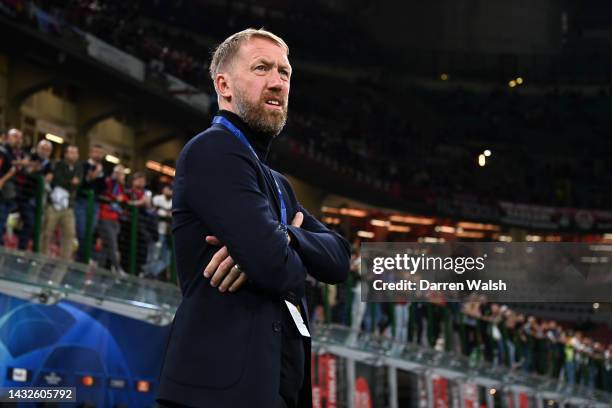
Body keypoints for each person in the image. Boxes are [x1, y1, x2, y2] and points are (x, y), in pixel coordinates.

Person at [157, 29, 350, 408]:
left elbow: (340, 259)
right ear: (224, 85)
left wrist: (284, 238)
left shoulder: (278, 183)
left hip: (274, 389)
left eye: (285, 72)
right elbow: (275, 267)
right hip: (217, 393)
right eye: (262, 68)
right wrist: (272, 246)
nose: (277, 82)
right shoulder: (213, 151)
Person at [41, 144, 81, 258]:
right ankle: (41, 257)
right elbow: (58, 180)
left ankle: (64, 263)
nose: (74, 155)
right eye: (71, 152)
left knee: (69, 234)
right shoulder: (58, 164)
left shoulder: (79, 167)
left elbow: (78, 183)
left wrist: (71, 183)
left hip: (69, 206)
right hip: (53, 205)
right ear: (66, 154)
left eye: (76, 153)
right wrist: (70, 182)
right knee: (47, 232)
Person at [75, 144, 106, 262]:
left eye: (100, 153)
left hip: (95, 204)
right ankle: (81, 259)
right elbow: (82, 183)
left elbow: (102, 188)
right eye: (96, 152)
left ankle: (83, 259)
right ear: (90, 153)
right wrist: (94, 175)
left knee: (90, 232)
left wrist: (99, 174)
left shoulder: (103, 169)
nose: (98, 155)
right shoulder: (83, 165)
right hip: (81, 202)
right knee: (82, 231)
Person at [96, 164, 127, 274]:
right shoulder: (109, 182)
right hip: (105, 217)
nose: (122, 176)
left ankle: (99, 270)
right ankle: (118, 269)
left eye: (123, 174)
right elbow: (104, 194)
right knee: (113, 245)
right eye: (120, 173)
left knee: (106, 247)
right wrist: (114, 198)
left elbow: (124, 200)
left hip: (115, 219)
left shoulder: (121, 187)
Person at [143, 183, 173, 279]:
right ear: (164, 189)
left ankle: (152, 273)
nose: (170, 191)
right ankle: (147, 273)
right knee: (153, 255)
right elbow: (154, 211)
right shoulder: (157, 198)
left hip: (168, 234)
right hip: (156, 231)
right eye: (169, 189)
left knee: (167, 259)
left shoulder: (174, 201)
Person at [0, 129, 20, 245]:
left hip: (6, 194)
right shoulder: (4, 150)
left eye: (19, 137)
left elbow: (12, 168)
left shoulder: (10, 152)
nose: (17, 139)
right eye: (14, 136)